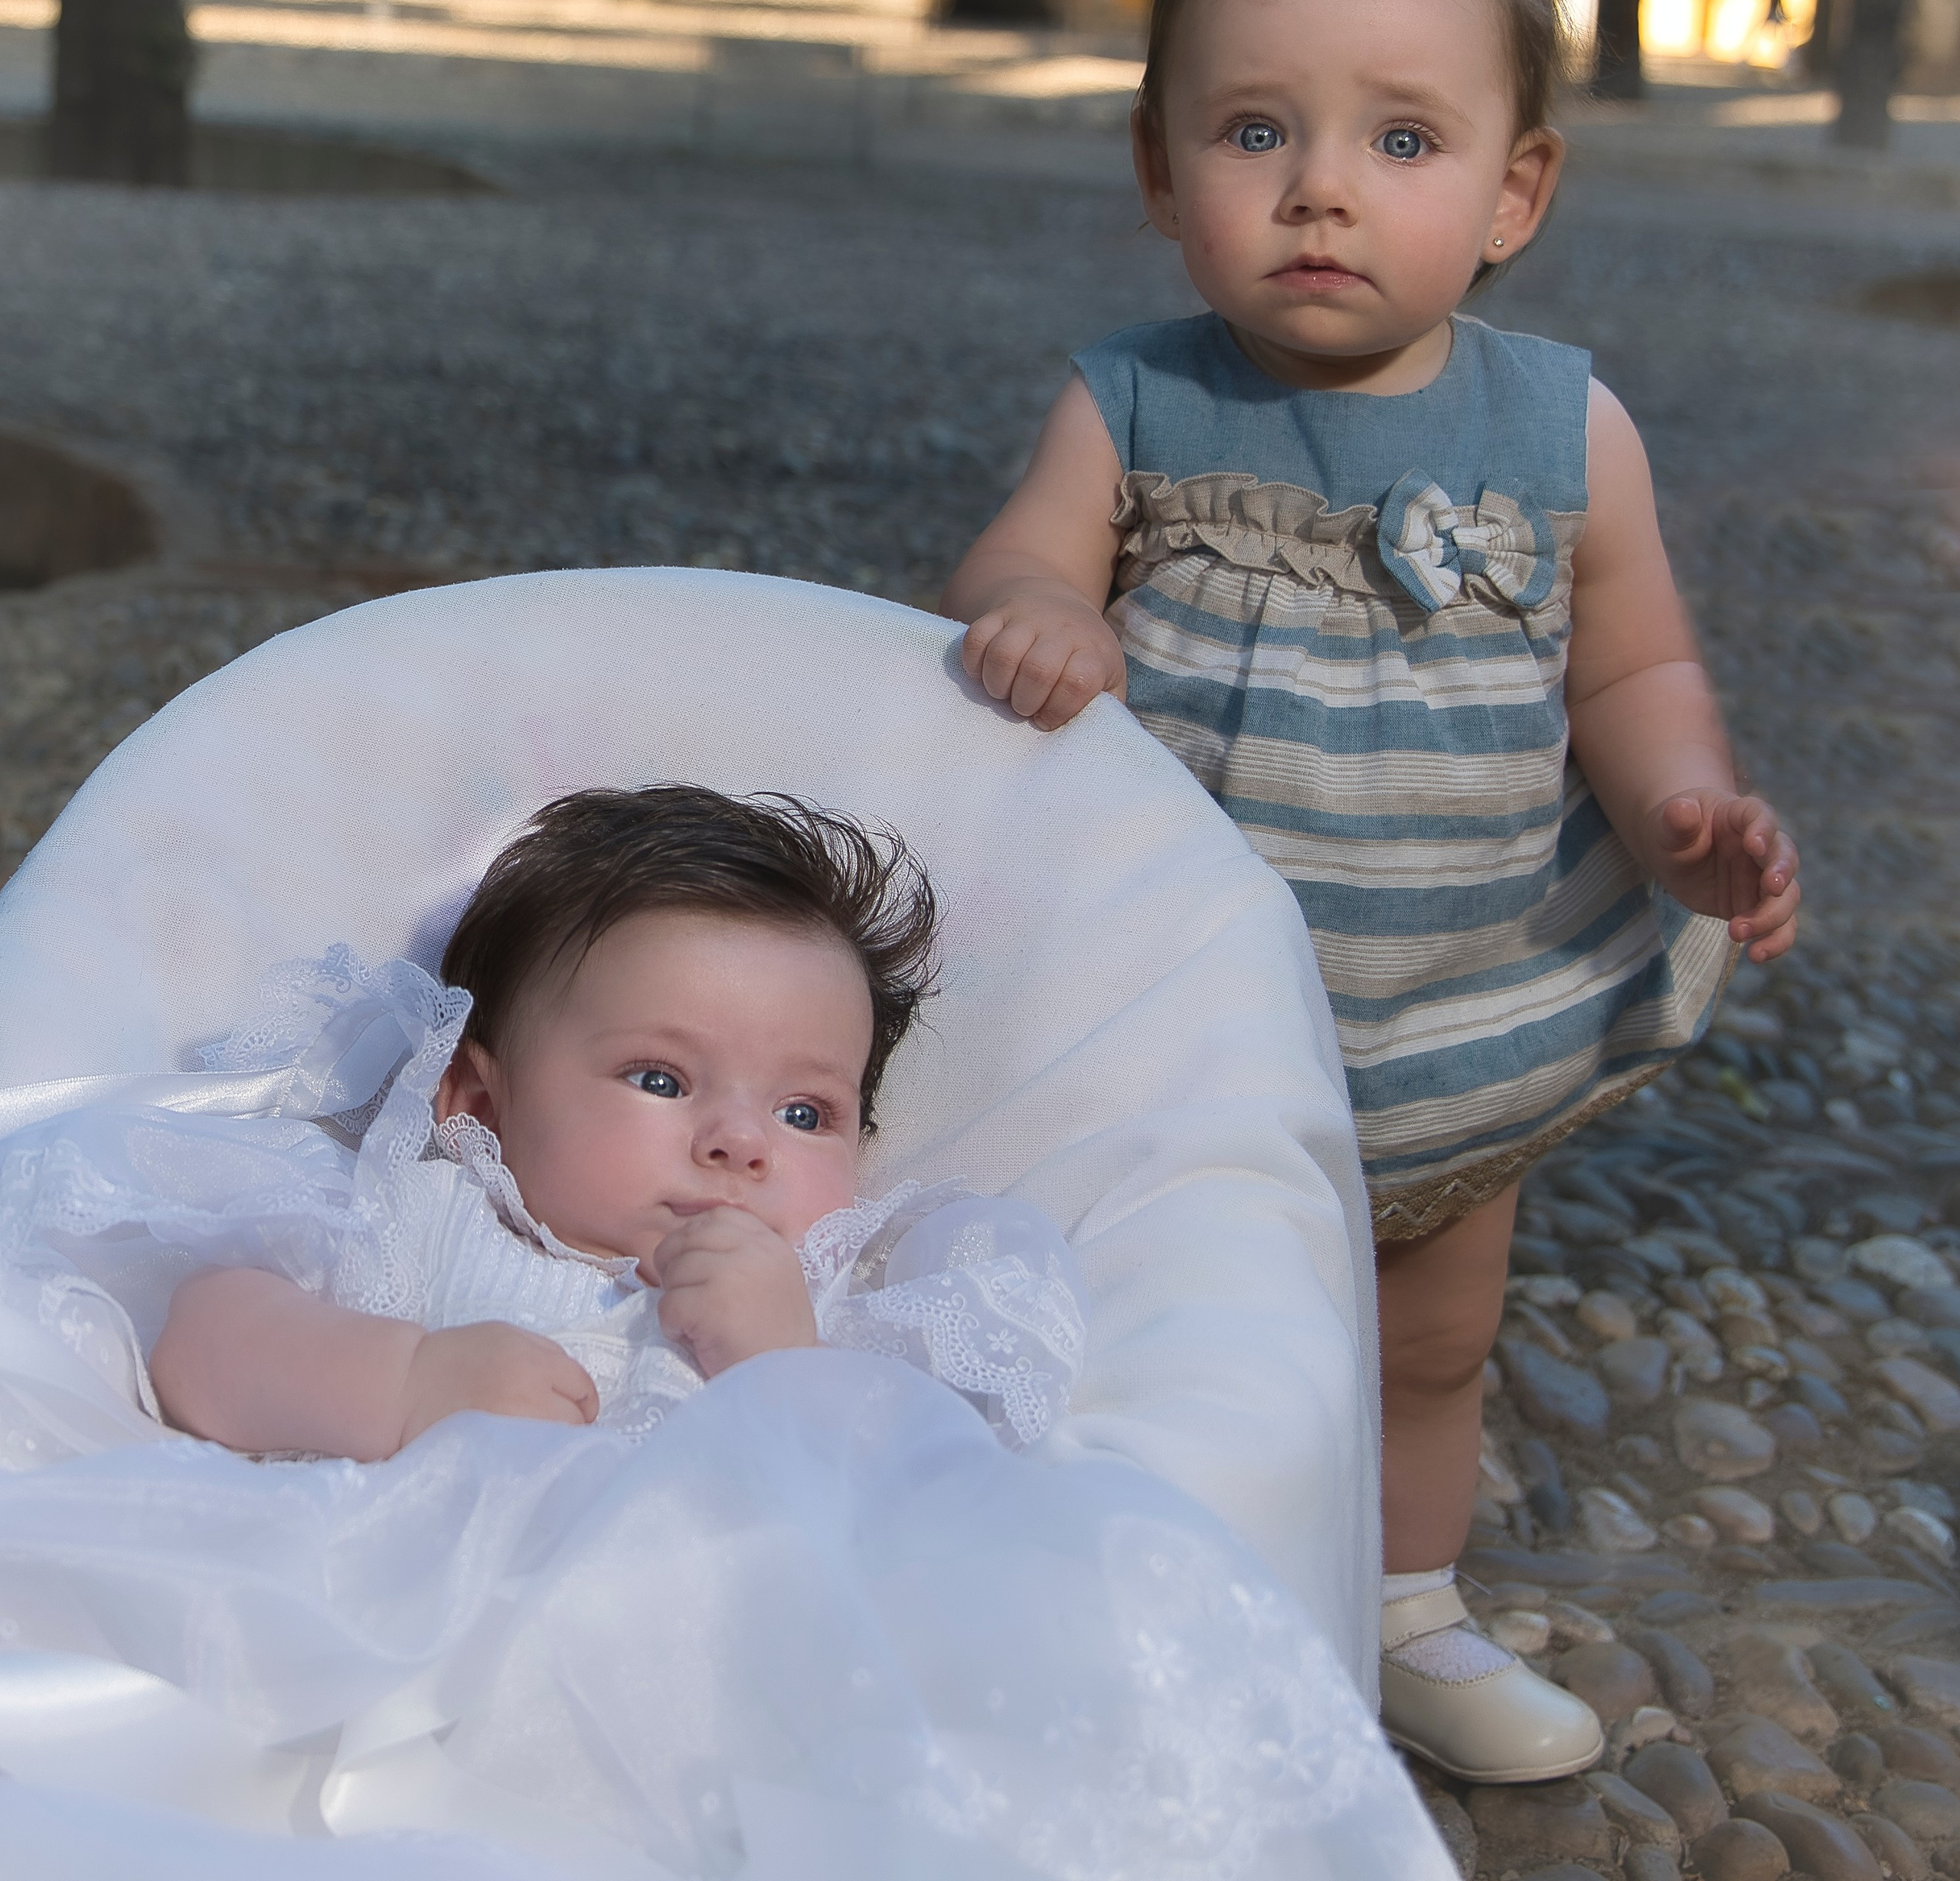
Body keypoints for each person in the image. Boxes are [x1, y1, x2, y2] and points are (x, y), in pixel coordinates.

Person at [941, 0, 1800, 1785]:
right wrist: (1044, 607)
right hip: (1165, 1029)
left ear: (1514, 191)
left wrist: (1683, 809)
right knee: (1132, 1312)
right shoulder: (1135, 403)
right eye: (1253, 129)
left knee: (1424, 1344)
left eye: (1401, 141)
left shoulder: (1560, 426)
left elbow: (1627, 671)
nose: (1318, 185)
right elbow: (1007, 557)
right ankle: (1114, 1586)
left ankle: (1403, 1604)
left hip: (1440, 1009)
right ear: (1160, 170)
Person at [0, 782, 1455, 1876]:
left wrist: (793, 1371)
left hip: (690, 1685)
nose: (739, 1143)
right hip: (335, 1628)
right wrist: (401, 1378)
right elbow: (199, 1344)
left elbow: (954, 1496)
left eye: (807, 1110)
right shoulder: (412, 1209)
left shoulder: (859, 1283)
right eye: (658, 1076)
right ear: (476, 1097)